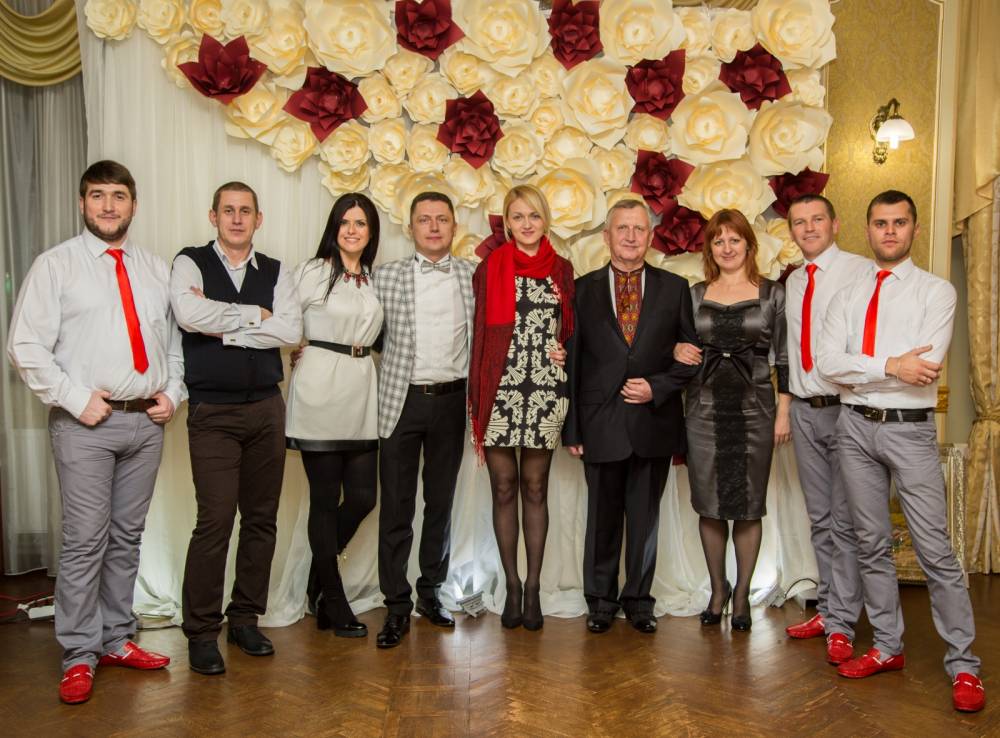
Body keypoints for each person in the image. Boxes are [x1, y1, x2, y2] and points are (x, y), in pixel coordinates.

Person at [7, 160, 184, 704]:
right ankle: (79, 653)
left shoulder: (155, 269)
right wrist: (75, 398)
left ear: (134, 204)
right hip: (86, 424)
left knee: (127, 537)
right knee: (86, 540)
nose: (109, 206)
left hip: (146, 424)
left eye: (119, 196)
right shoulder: (55, 265)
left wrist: (172, 392)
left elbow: (173, 344)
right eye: (98, 196)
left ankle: (115, 638)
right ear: (82, 204)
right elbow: (24, 346)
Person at [816, 190, 984, 713]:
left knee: (935, 550)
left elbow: (925, 369)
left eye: (899, 222)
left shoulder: (936, 292)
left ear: (913, 229)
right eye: (881, 223)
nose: (889, 231)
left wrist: (862, 369)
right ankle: (888, 646)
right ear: (867, 229)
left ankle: (965, 665)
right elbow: (826, 364)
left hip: (909, 432)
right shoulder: (846, 296)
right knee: (870, 543)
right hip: (853, 428)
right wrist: (891, 365)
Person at [171, 182, 302, 675]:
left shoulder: (276, 270)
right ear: (214, 216)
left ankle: (245, 618)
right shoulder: (190, 262)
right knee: (216, 520)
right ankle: (202, 631)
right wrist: (253, 317)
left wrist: (222, 330)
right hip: (213, 412)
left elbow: (290, 330)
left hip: (267, 407)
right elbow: (188, 314)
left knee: (261, 519)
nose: (237, 218)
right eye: (228, 210)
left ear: (258, 219)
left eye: (245, 210)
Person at [563, 198, 698, 634]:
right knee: (601, 520)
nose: (631, 236)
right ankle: (600, 601)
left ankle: (639, 600)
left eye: (639, 229)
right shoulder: (581, 290)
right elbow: (574, 362)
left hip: (653, 423)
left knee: (644, 520)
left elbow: (690, 357)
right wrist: (573, 428)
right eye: (622, 228)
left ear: (650, 237)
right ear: (606, 236)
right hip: (599, 423)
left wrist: (657, 386)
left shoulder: (674, 288)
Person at [674, 208, 791, 633]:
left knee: (747, 505)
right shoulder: (694, 294)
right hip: (703, 410)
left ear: (749, 245)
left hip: (755, 410)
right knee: (709, 504)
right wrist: (676, 349)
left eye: (734, 240)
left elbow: (785, 357)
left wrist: (783, 412)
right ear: (710, 249)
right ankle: (717, 590)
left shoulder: (773, 294)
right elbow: (677, 344)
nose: (727, 248)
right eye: (718, 241)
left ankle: (741, 594)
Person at [469, 184, 575, 631]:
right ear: (507, 223)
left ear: (544, 219)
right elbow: (479, 333)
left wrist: (564, 349)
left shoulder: (562, 269)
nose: (526, 224)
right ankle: (511, 584)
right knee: (503, 487)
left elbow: (570, 329)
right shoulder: (490, 267)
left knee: (535, 487)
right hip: (500, 386)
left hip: (545, 389)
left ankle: (534, 588)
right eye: (517, 216)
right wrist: (477, 396)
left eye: (534, 215)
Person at [372, 192, 475, 648]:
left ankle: (430, 592)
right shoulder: (386, 276)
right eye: (424, 220)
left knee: (440, 503)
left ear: (454, 227)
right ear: (410, 227)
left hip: (452, 402)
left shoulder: (472, 276)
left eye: (442, 219)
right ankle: (395, 605)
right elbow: (366, 331)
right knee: (397, 506)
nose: (433, 227)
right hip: (401, 401)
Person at [286, 193, 382, 638]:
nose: (352, 230)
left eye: (360, 223)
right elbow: (285, 321)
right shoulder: (312, 272)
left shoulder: (373, 278)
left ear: (371, 231)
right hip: (321, 386)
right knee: (325, 500)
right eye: (345, 222)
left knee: (363, 497)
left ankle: (318, 580)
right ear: (334, 227)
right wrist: (296, 348)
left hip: (361, 388)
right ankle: (335, 599)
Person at [782, 195, 869, 663]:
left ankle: (842, 624)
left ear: (835, 224)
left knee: (844, 521)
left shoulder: (861, 272)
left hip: (845, 410)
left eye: (817, 219)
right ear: (792, 231)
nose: (809, 228)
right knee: (819, 518)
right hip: (804, 410)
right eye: (800, 222)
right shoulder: (795, 281)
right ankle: (830, 607)